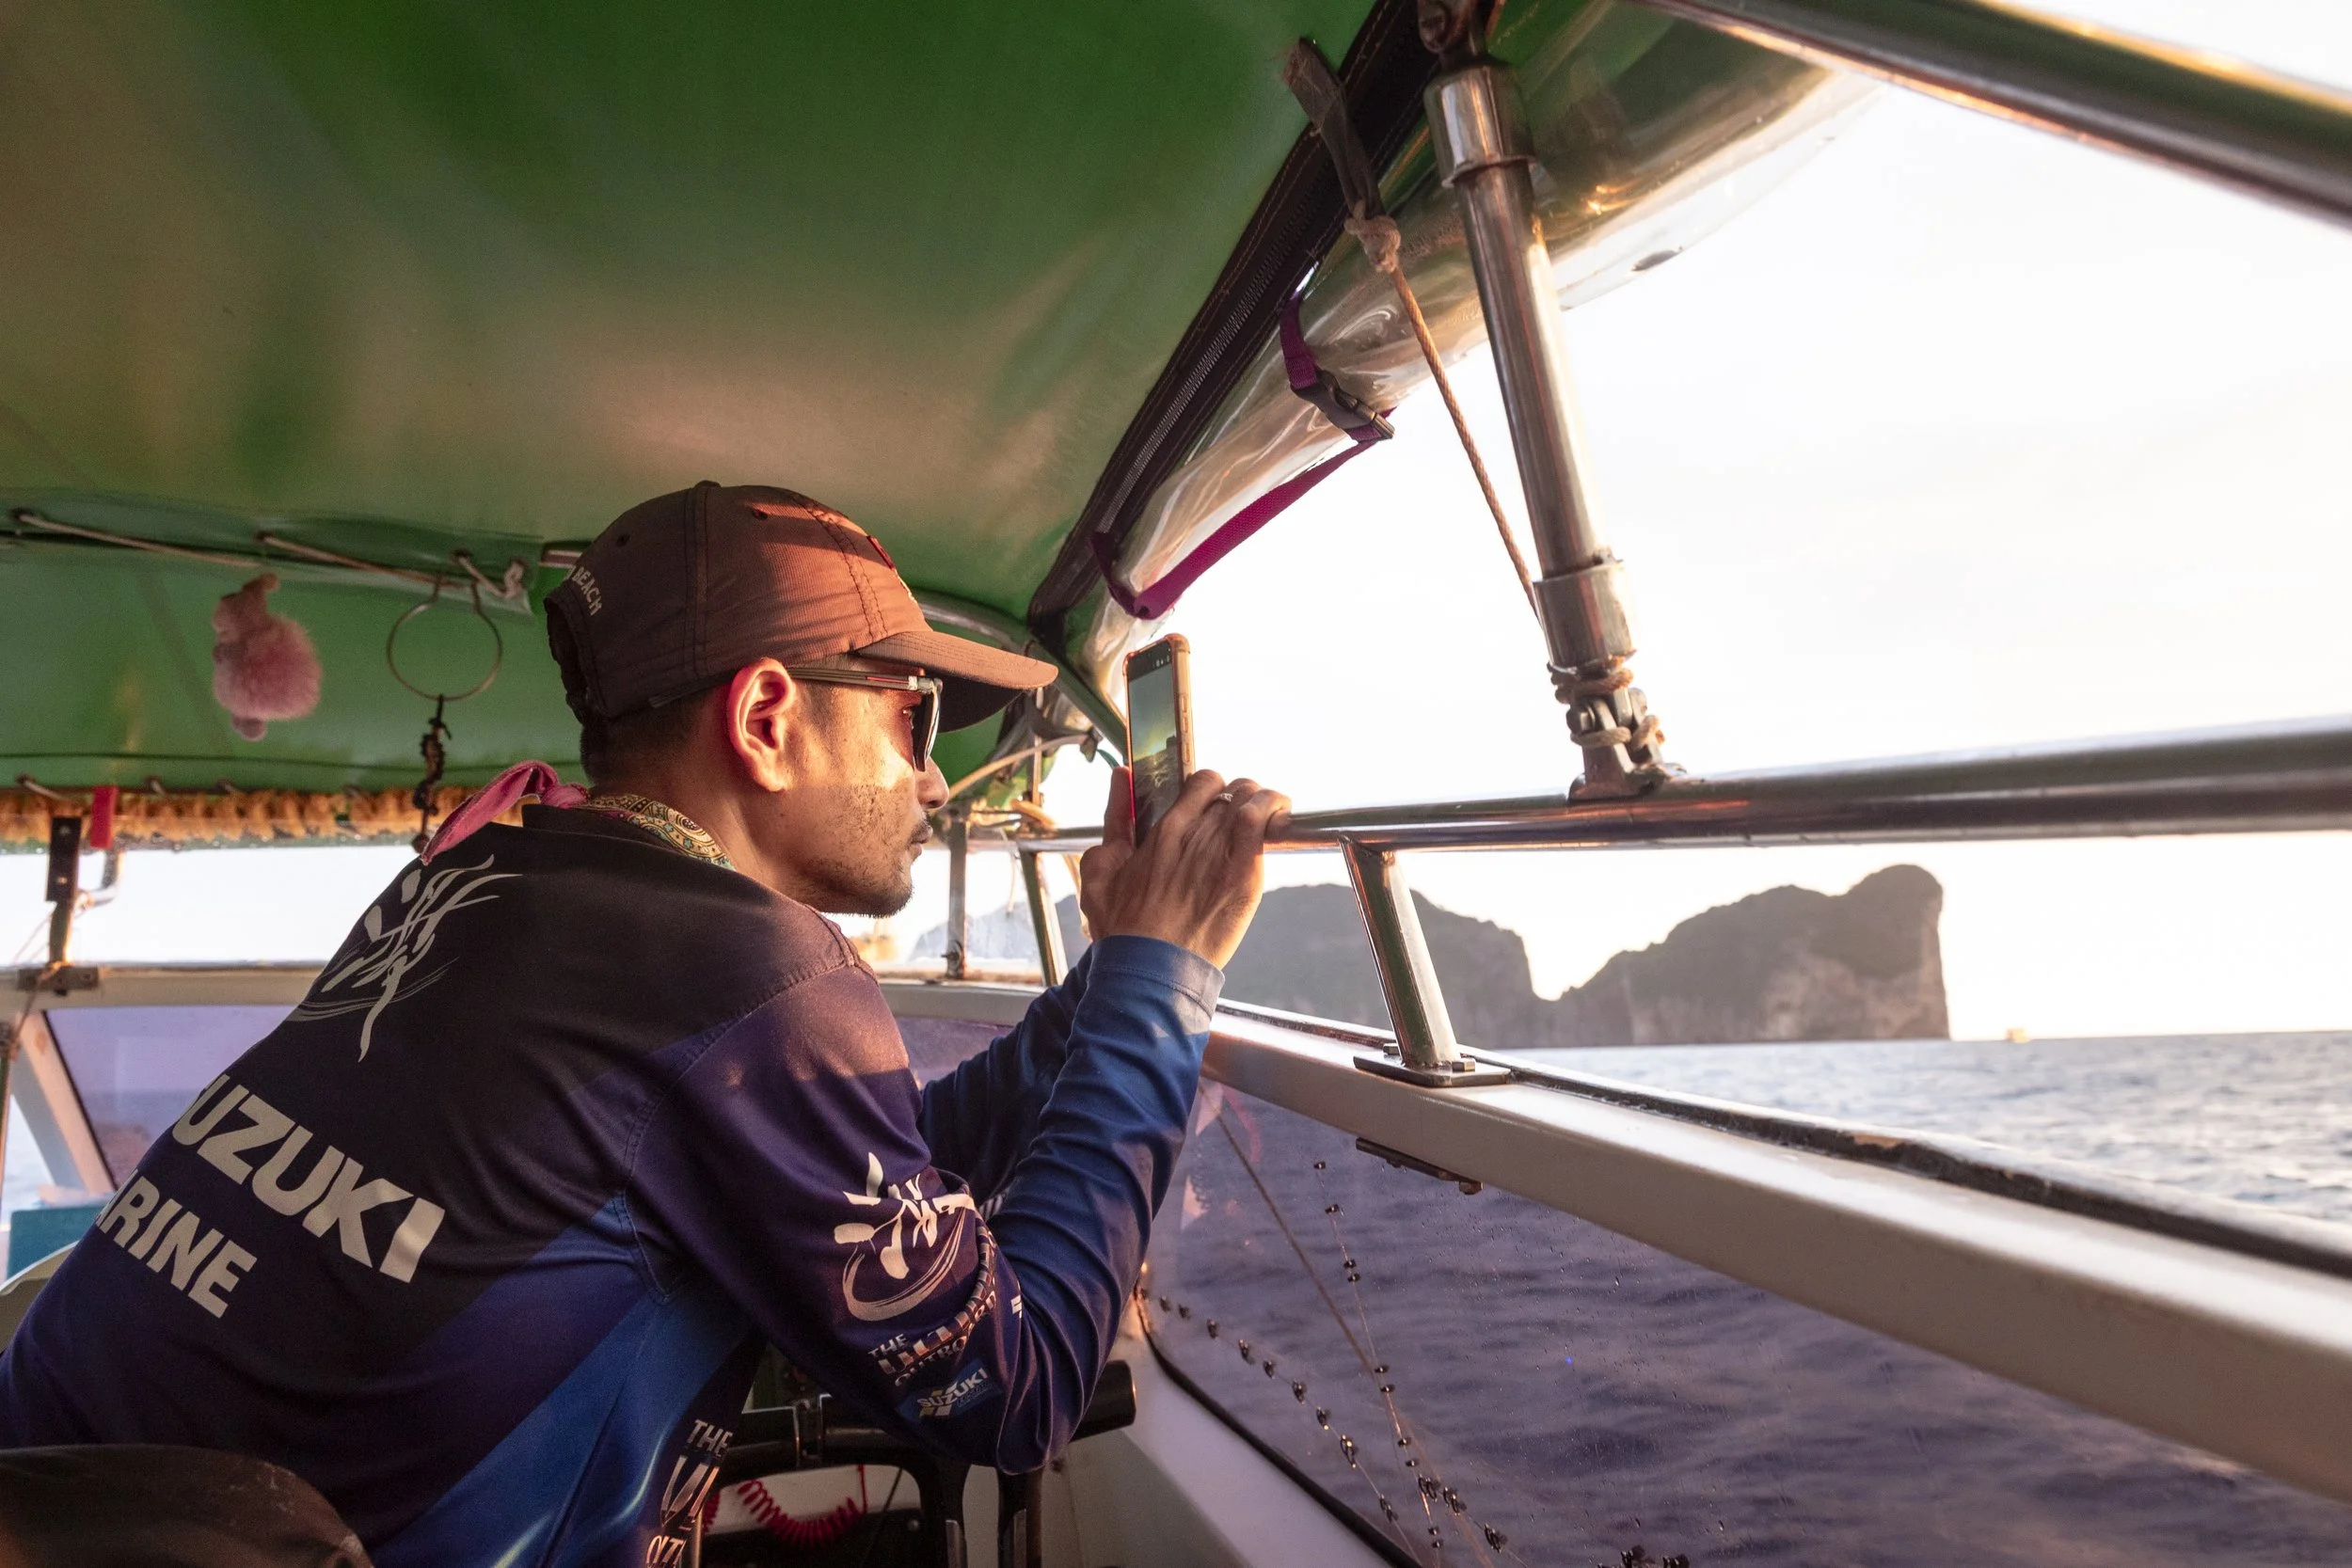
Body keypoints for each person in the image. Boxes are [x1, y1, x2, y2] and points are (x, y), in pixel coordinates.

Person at [0, 482, 1289, 1567]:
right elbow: (1018, 1387)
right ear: (768, 717)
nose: (935, 775)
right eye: (912, 714)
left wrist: (1105, 982)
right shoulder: (751, 969)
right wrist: (1164, 981)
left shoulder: (478, 880)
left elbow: (829, 1191)